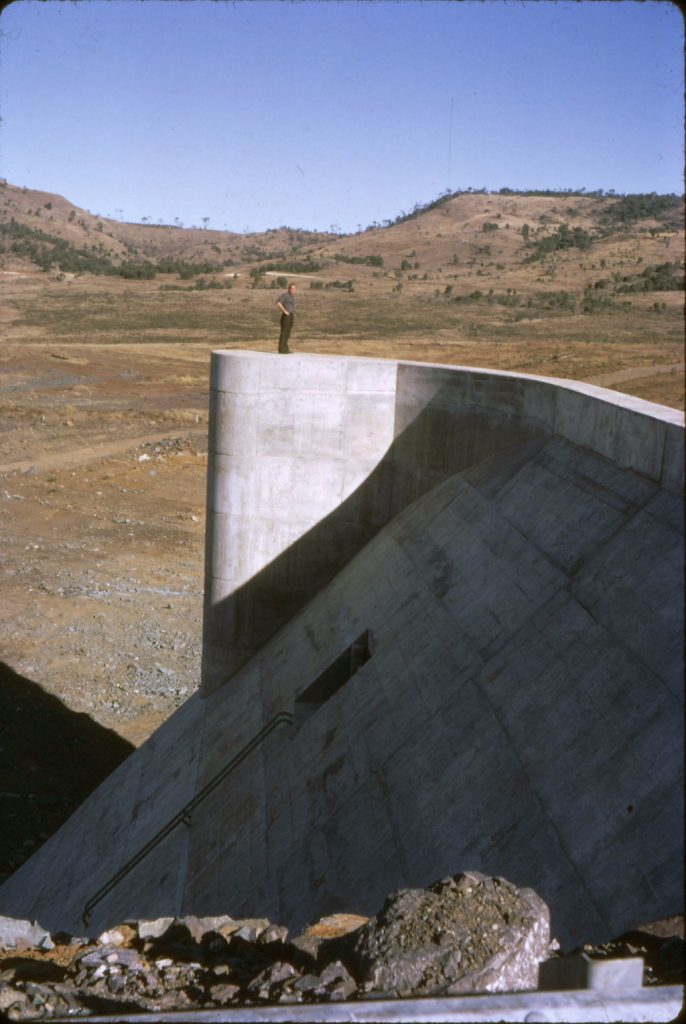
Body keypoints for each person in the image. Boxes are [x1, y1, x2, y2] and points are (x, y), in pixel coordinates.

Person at [276, 283, 296, 353]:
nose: (293, 290)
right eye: (291, 288)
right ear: (289, 288)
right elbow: (278, 303)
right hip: (286, 316)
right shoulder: (285, 295)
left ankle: (285, 349)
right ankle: (282, 349)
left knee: (288, 333)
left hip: (291, 316)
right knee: (284, 332)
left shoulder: (292, 296)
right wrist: (284, 311)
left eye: (294, 289)